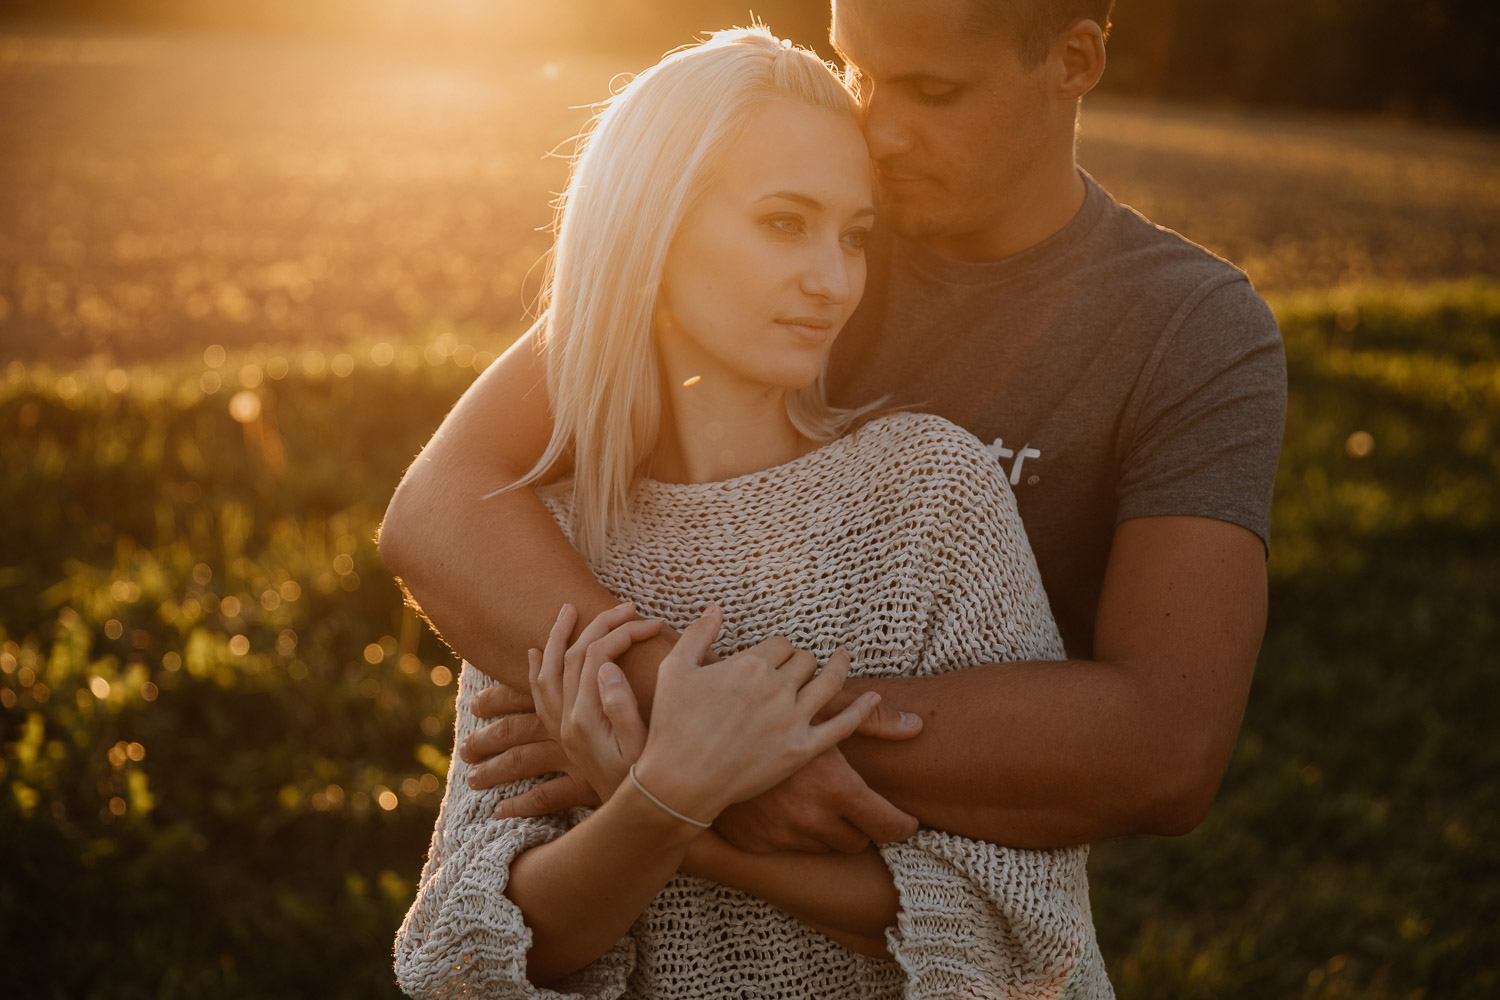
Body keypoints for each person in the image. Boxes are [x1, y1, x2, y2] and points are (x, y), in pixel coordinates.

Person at [382, 0, 1284, 875]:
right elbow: (438, 507)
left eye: (931, 91)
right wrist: (671, 714)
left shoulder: (1189, 327)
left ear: (1074, 62)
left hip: (960, 908)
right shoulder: (800, 224)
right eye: (857, 71)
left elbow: (1168, 745)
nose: (879, 132)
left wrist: (728, 748)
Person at [393, 27, 1113, 999]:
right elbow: (477, 950)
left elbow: (1022, 917)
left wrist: (659, 805)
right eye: (785, 223)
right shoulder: (549, 542)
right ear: (652, 226)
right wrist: (670, 800)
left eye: (853, 235)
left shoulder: (930, 497)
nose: (835, 279)